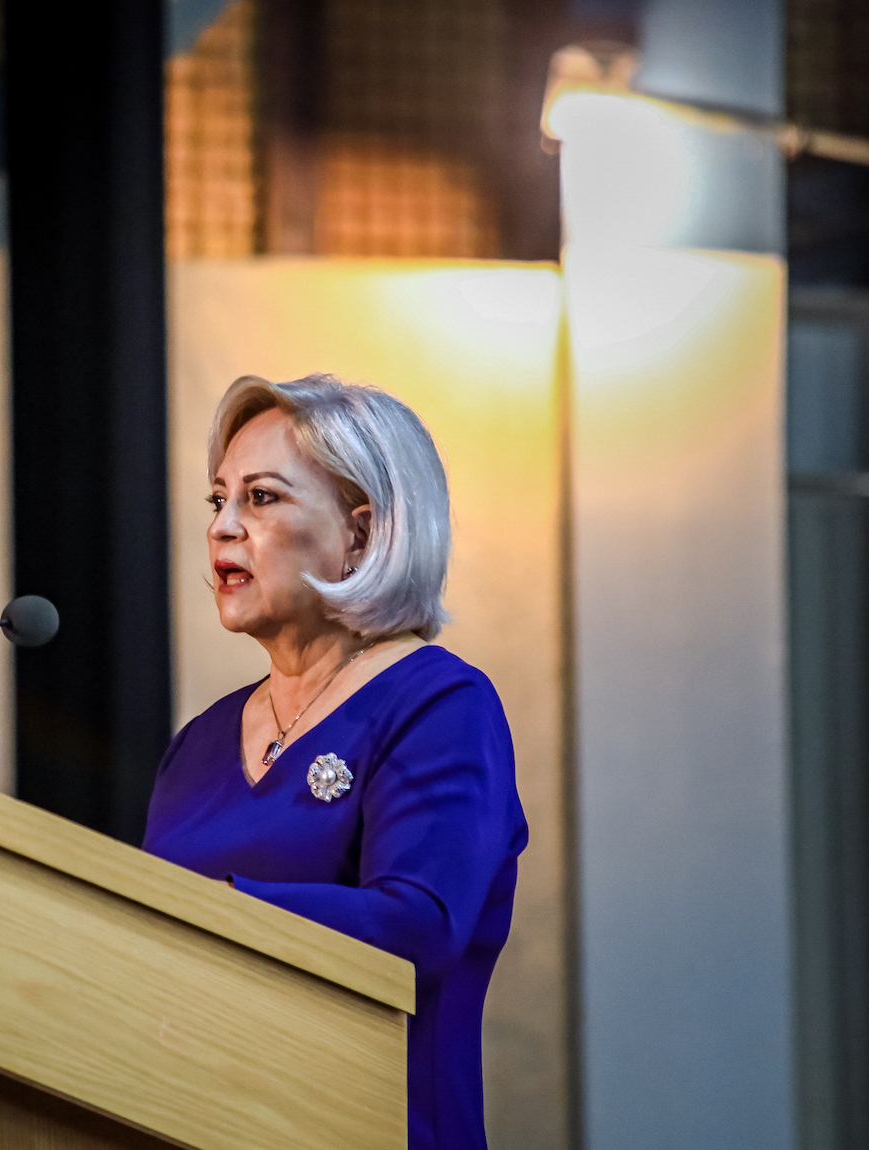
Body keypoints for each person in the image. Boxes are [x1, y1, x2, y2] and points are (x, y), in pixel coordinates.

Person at [143, 373, 527, 1150]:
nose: (222, 527)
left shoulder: (438, 705)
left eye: (261, 498)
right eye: (218, 500)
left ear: (361, 533)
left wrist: (211, 912)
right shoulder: (198, 746)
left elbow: (417, 928)